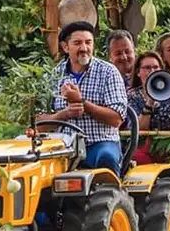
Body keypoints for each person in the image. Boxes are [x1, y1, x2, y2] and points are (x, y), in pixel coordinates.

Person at [37, 21, 128, 175]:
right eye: (77, 43)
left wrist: (82, 102)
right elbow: (38, 124)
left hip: (100, 143)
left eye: (88, 42)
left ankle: (113, 195)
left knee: (106, 157)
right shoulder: (53, 76)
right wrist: (64, 114)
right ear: (66, 47)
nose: (84, 48)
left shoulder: (108, 72)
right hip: (63, 146)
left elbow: (117, 119)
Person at [125, 51, 170, 165]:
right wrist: (150, 102)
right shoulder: (132, 95)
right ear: (138, 72)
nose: (152, 71)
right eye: (147, 68)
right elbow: (139, 130)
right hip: (148, 146)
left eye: (156, 67)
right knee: (138, 154)